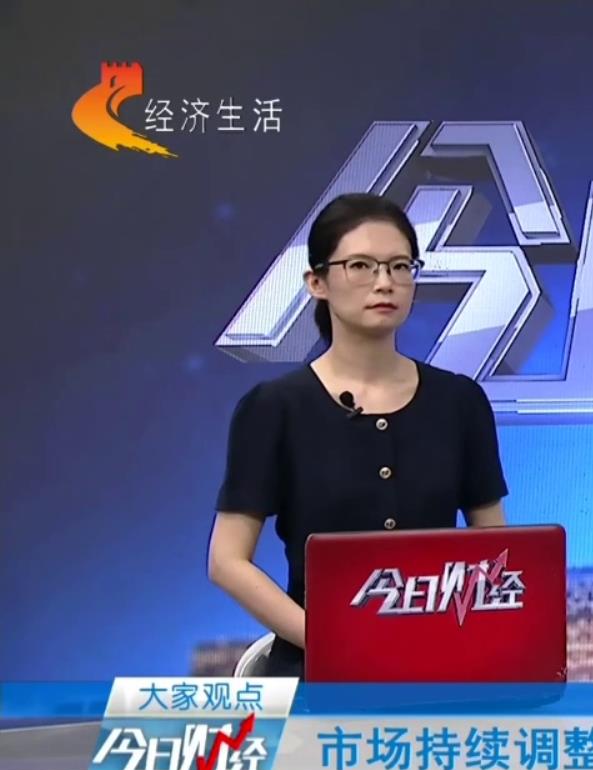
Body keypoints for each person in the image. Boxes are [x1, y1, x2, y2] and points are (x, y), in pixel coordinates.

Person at [207, 193, 509, 677]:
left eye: (400, 266)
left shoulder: (459, 402)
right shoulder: (274, 408)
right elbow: (227, 561)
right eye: (361, 266)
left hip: (437, 666)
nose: (385, 283)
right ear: (317, 282)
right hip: (318, 670)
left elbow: (496, 549)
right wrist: (334, 640)